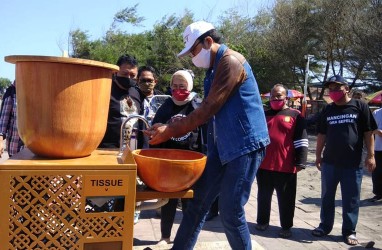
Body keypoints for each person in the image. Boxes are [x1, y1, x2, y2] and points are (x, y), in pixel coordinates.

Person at [146, 20, 270, 250]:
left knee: (231, 211)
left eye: (193, 50)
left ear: (208, 41)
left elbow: (209, 107)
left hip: (245, 145)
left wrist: (171, 130)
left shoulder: (231, 62)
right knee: (197, 203)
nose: (192, 57)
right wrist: (171, 125)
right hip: (223, 147)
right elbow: (205, 110)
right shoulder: (213, 68)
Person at [311, 75, 376, 246]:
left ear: (346, 89)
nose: (333, 92)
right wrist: (318, 156)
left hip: (352, 163)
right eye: (330, 89)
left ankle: (349, 231)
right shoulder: (328, 110)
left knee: (351, 199)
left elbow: (368, 132)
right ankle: (325, 226)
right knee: (326, 197)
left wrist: (371, 155)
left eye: (336, 88)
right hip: (330, 162)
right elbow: (321, 135)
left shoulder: (360, 106)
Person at [150, 69, 203, 245]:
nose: (178, 89)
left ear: (190, 86)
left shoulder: (197, 106)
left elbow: (205, 133)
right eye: (175, 86)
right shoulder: (166, 106)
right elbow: (154, 130)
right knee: (168, 203)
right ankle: (165, 237)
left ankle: (185, 240)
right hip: (169, 163)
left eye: (182, 86)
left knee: (189, 203)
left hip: (190, 164)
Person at [255, 84, 308, 238]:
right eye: (273, 96)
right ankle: (262, 221)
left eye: (279, 95)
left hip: (286, 165)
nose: (275, 98)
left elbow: (302, 140)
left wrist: (301, 162)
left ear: (286, 97)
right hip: (264, 165)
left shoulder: (296, 115)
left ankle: (286, 227)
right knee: (263, 196)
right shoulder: (263, 114)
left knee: (286, 199)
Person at [99, 54, 139, 148]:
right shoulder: (105, 91)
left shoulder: (136, 93)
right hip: (107, 149)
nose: (129, 78)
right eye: (125, 74)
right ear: (116, 72)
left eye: (132, 75)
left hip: (131, 148)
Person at [129, 65, 164, 149]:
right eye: (143, 80)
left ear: (155, 81)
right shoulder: (132, 97)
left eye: (149, 80)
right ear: (137, 81)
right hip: (138, 142)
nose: (146, 83)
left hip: (158, 141)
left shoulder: (163, 98)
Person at [0, 81, 24, 157]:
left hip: (36, 151)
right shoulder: (11, 92)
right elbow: (3, 122)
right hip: (15, 148)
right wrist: (0, 142)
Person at [371, 108, 382, 202]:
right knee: (377, 172)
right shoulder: (377, 113)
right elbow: (370, 129)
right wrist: (378, 131)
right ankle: (378, 193)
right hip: (378, 148)